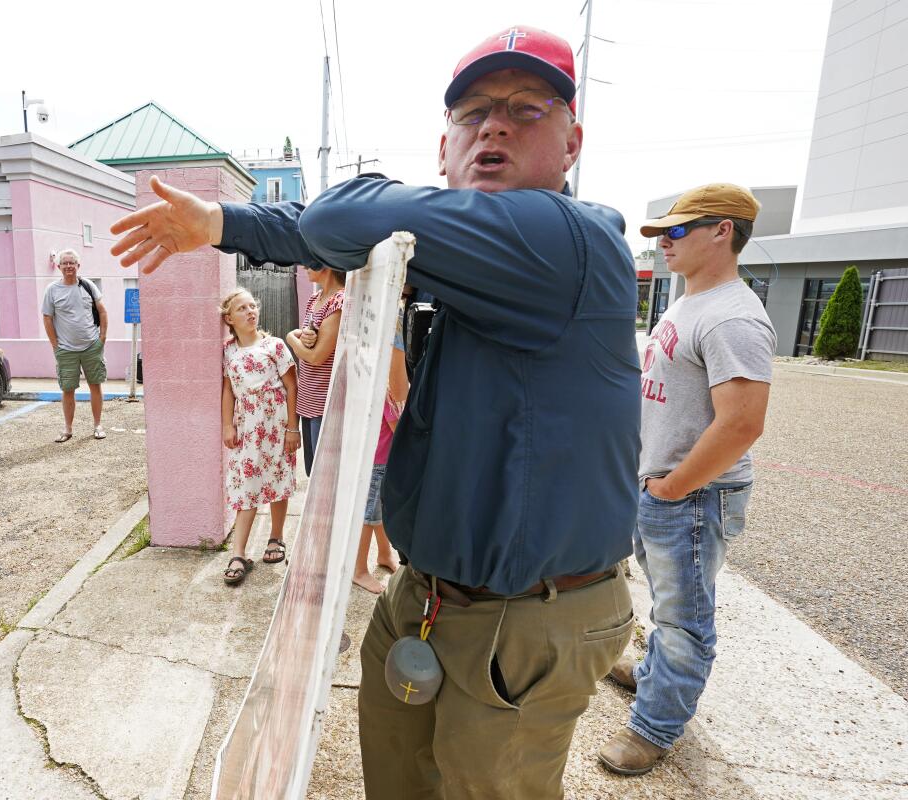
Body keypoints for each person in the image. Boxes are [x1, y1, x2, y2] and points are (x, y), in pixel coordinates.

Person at [110, 25, 640, 800]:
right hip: (429, 595)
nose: (493, 124)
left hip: (524, 618)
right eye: (472, 112)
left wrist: (333, 205)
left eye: (528, 108)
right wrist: (221, 224)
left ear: (572, 142)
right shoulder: (466, 256)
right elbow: (337, 236)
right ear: (445, 148)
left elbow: (349, 222)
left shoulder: (567, 242)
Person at [597, 184, 775, 776]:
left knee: (684, 618)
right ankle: (655, 676)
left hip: (692, 495)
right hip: (664, 486)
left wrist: (671, 487)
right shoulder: (689, 302)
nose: (663, 244)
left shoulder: (734, 317)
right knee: (668, 602)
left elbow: (743, 424)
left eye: (676, 232)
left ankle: (654, 727)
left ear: (723, 230)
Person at [219, 288, 301, 585]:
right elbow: (228, 390)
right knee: (246, 486)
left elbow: (292, 387)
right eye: (242, 308)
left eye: (253, 306)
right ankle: (238, 553)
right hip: (247, 426)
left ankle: (276, 537)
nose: (250, 311)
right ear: (229, 318)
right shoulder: (228, 350)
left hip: (276, 423)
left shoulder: (275, 346)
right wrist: (227, 425)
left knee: (278, 479)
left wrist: (293, 428)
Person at [353, 319, 408, 594]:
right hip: (378, 457)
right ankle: (358, 569)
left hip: (375, 455)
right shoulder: (386, 385)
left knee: (376, 510)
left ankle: (384, 554)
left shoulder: (375, 376)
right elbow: (396, 423)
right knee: (368, 512)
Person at [41, 249, 109, 442]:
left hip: (91, 347)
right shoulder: (52, 290)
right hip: (66, 350)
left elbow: (102, 312)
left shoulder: (88, 286)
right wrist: (56, 345)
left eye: (72, 263)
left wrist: (101, 339)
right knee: (67, 389)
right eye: (65, 263)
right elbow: (47, 318)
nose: (69, 266)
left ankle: (97, 425)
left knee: (95, 386)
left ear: (78, 266)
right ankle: (68, 429)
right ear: (59, 266)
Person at [284, 266, 345, 475]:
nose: (303, 267)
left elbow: (316, 357)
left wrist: (291, 338)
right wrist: (302, 335)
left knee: (324, 477)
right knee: (314, 474)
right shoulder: (316, 298)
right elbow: (310, 337)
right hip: (308, 402)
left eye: (308, 263)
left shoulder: (339, 302)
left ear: (325, 265)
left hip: (325, 404)